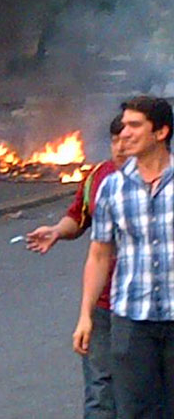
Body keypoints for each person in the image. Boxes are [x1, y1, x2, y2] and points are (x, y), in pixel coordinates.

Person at [73, 96, 174, 418]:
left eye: (135, 125)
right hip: (131, 321)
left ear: (160, 132)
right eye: (124, 126)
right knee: (135, 411)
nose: (125, 134)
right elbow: (99, 254)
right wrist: (86, 315)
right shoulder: (111, 188)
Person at [27, 116, 126, 419]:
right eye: (115, 140)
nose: (121, 147)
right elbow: (80, 220)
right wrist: (58, 230)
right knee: (100, 393)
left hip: (154, 310)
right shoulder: (98, 177)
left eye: (130, 138)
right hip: (105, 304)